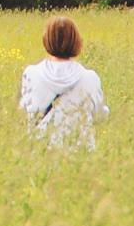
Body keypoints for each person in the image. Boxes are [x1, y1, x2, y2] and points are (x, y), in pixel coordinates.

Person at [18, 16, 108, 148]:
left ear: (46, 40)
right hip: (81, 156)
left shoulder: (31, 74)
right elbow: (100, 116)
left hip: (40, 153)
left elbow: (26, 112)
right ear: (76, 41)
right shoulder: (90, 78)